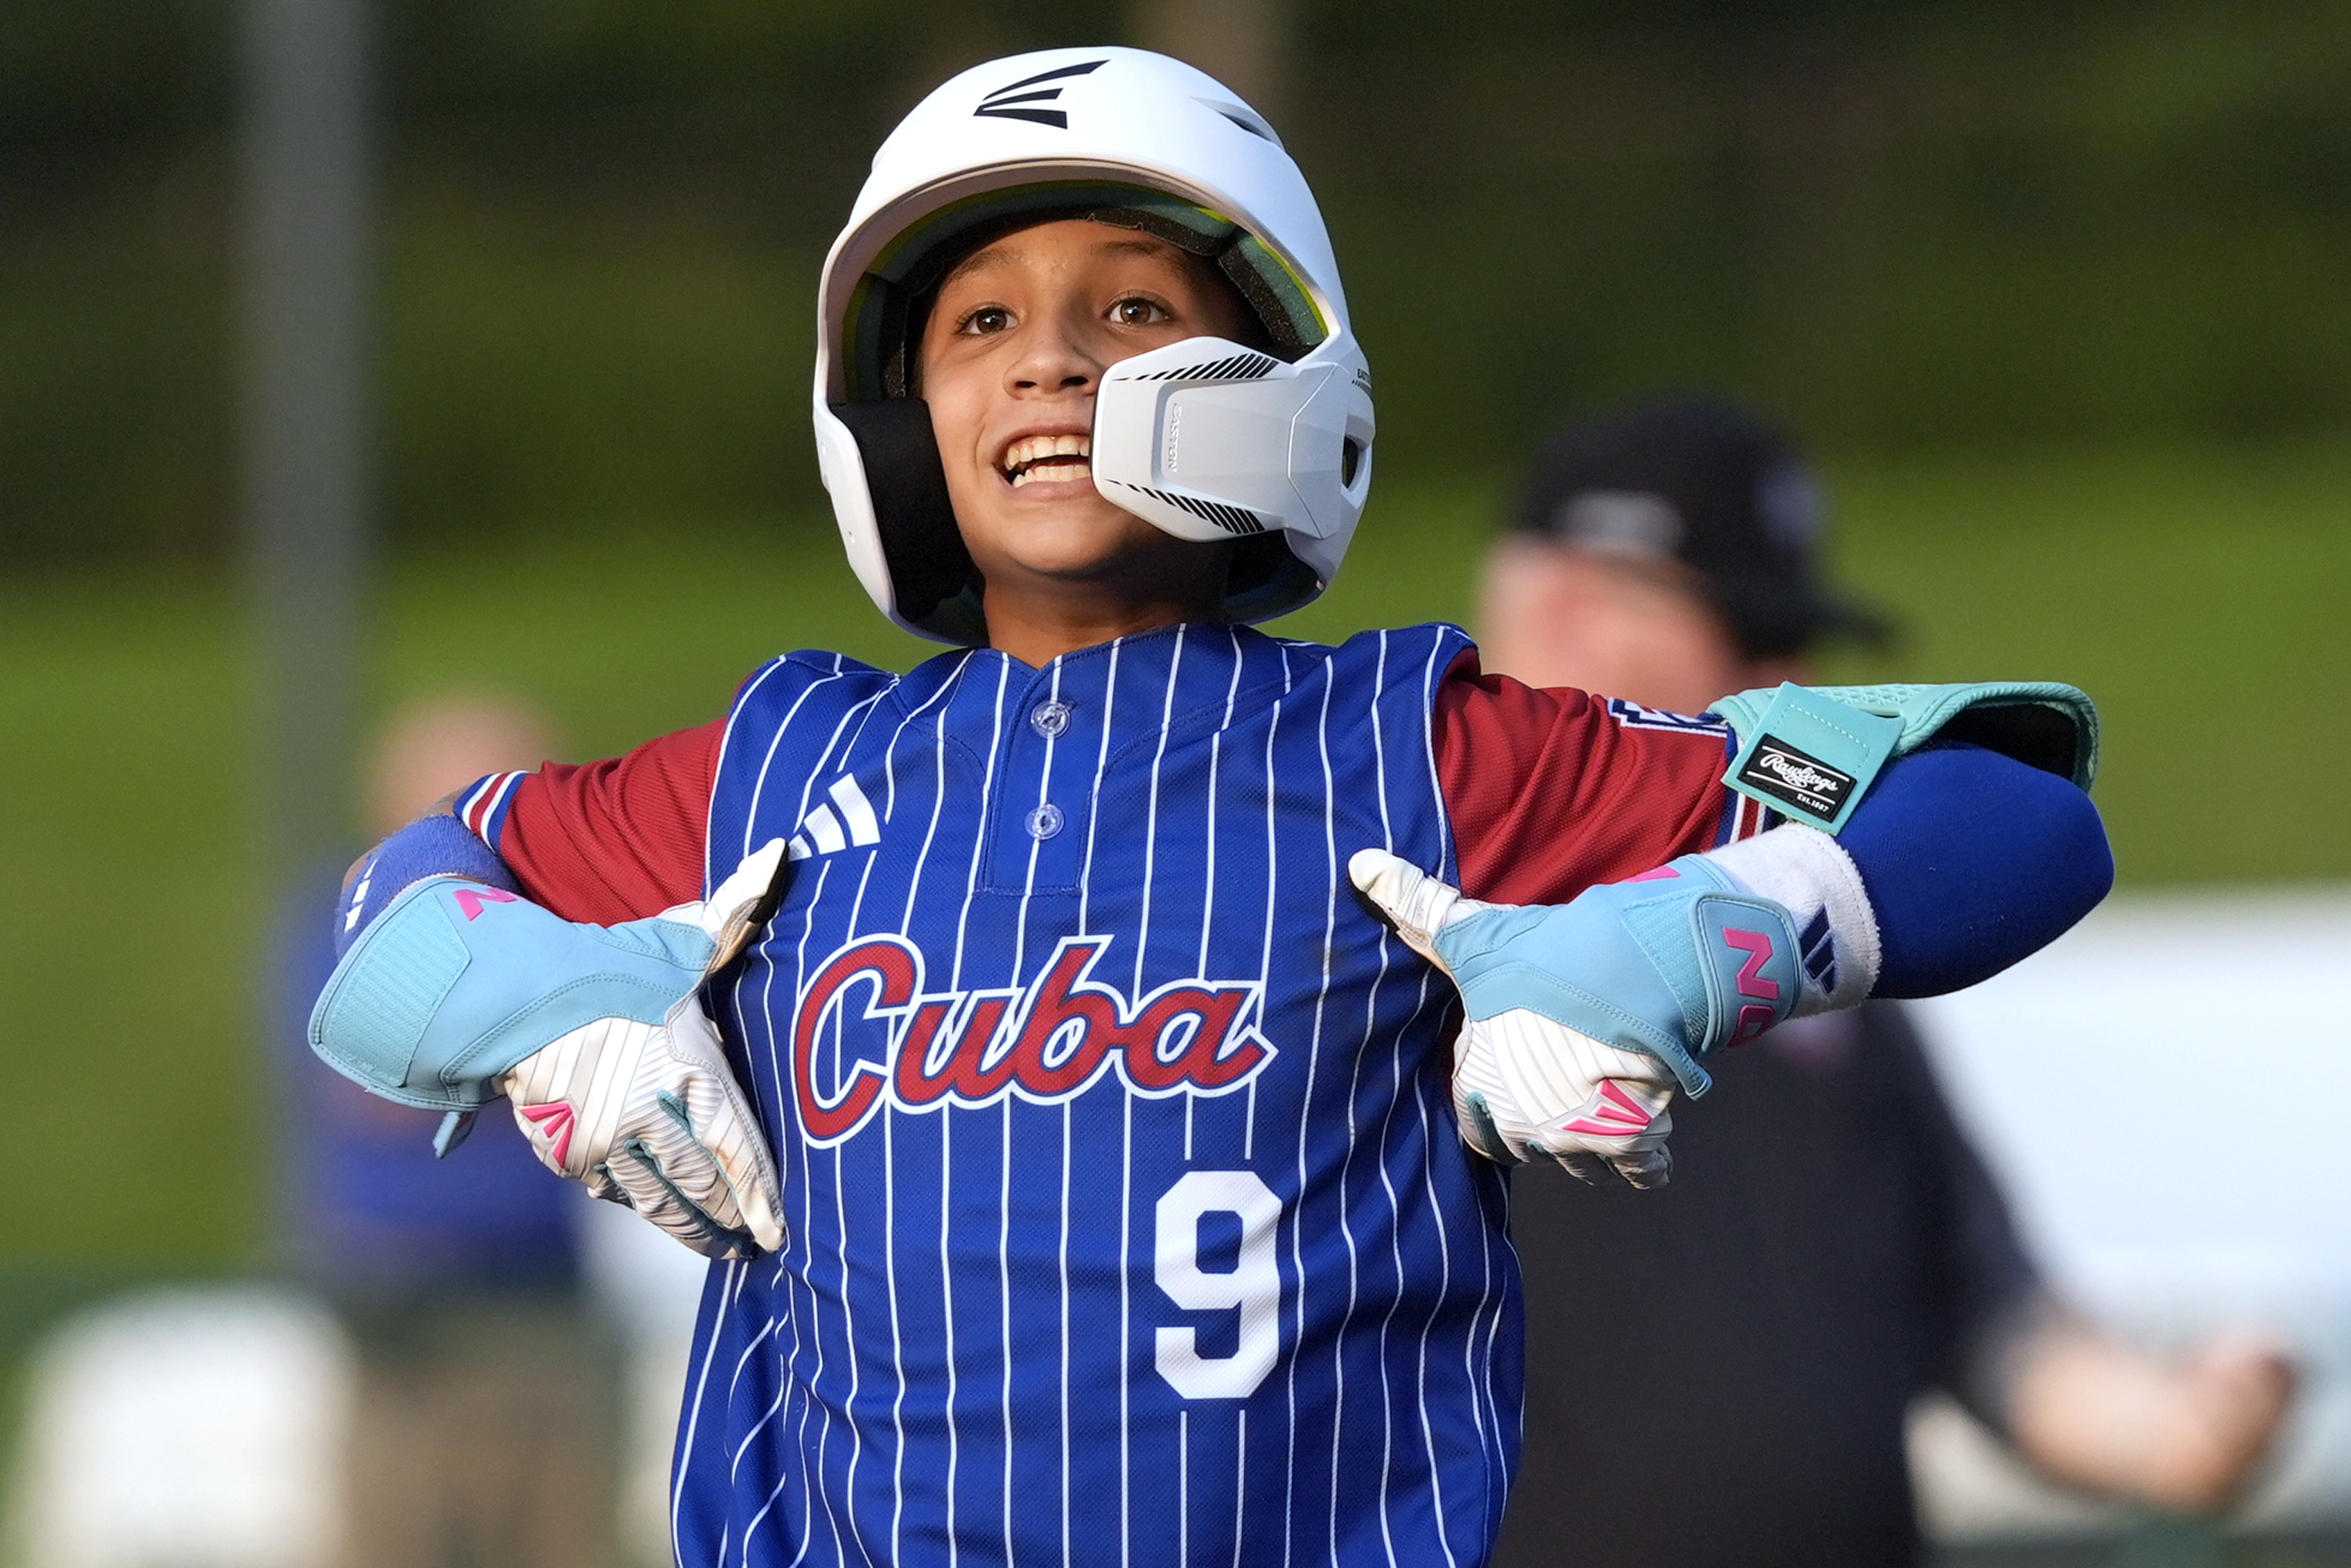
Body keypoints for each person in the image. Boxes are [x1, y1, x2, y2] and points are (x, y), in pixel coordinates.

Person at [302, 50, 2116, 1564]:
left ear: (1277, 369)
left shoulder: (1422, 745)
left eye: (1128, 308)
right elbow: (398, 900)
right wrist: (543, 1009)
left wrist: (1682, 942)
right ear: (894, 413)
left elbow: (2008, 794)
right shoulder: (784, 771)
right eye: (979, 321)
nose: (1044, 356)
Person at [1481, 398, 2298, 1568]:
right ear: (1573, 613)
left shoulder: (1818, 953)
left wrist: (2172, 1429)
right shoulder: (1387, 936)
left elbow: (1985, 1316)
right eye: (1754, 643)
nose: (1793, 682)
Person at [280, 694, 615, 1568]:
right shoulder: (351, 916)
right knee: (401, 1535)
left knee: (556, 1534)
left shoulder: (567, 919)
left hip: (542, 1304)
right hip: (407, 1308)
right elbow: (382, 1082)